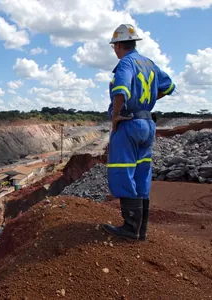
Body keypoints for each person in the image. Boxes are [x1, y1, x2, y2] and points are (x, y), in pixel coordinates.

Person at [102, 24, 175, 241]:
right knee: (142, 172)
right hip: (147, 123)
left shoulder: (125, 63)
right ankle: (141, 230)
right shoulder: (150, 64)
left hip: (129, 123)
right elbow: (168, 86)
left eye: (114, 46)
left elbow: (121, 89)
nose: (114, 50)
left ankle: (130, 227)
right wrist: (148, 100)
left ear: (118, 46)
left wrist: (116, 116)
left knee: (122, 170)